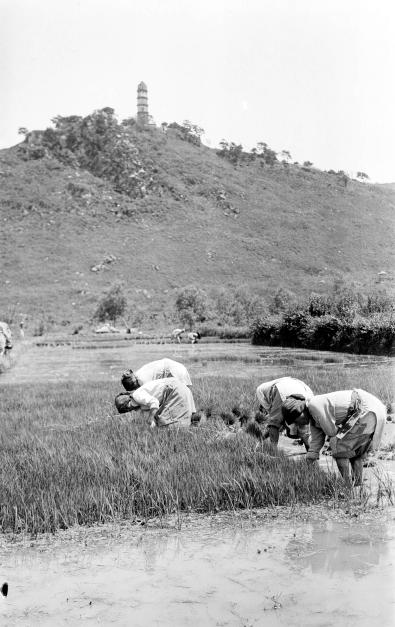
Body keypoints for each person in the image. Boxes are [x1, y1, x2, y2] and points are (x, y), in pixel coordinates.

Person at [282, 389, 387, 486]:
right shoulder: (313, 417)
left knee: (337, 446)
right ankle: (357, 484)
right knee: (355, 451)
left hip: (365, 410)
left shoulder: (314, 405)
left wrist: (333, 446)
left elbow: (331, 431)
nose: (298, 424)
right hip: (371, 410)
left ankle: (347, 485)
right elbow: (316, 442)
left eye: (296, 420)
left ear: (300, 412)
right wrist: (307, 463)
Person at [255, 377, 314, 450]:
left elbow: (274, 425)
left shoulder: (260, 392)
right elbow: (278, 425)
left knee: (275, 423)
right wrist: (262, 438)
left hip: (283, 392)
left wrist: (261, 439)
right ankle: (310, 452)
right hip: (304, 390)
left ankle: (273, 452)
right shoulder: (269, 387)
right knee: (304, 425)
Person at [115, 377, 196, 428]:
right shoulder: (139, 398)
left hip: (174, 389)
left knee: (168, 424)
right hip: (178, 387)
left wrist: (150, 418)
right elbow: (154, 411)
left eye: (128, 408)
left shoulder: (137, 395)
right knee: (186, 419)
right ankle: (199, 421)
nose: (132, 410)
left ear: (127, 405)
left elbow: (154, 403)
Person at [121, 357, 192, 390]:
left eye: (135, 388)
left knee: (183, 398)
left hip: (174, 372)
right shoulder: (138, 374)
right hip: (175, 367)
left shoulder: (142, 380)